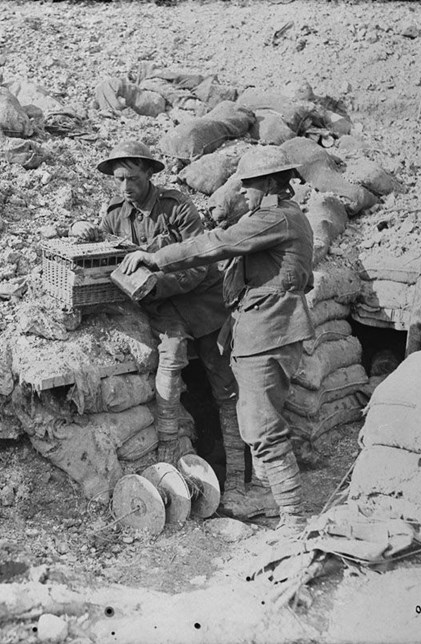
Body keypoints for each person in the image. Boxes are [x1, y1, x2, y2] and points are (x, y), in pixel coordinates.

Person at [119, 145, 315, 532]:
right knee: (253, 420)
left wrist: (155, 258)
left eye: (248, 186)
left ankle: (294, 517)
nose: (243, 193)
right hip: (257, 331)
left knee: (262, 427)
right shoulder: (277, 216)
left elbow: (216, 243)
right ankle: (261, 494)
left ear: (269, 183)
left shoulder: (275, 217)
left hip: (270, 332)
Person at [71, 140, 242, 475]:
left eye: (132, 179)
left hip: (203, 304)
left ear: (149, 173)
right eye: (119, 179)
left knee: (226, 387)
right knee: (172, 359)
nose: (125, 187)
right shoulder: (115, 213)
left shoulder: (176, 207)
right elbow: (101, 250)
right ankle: (168, 458)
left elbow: (201, 262)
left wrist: (154, 283)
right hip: (163, 309)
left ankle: (236, 474)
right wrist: (78, 230)